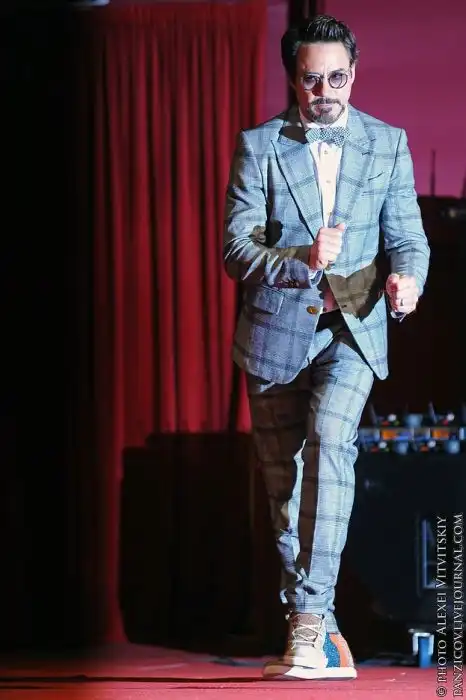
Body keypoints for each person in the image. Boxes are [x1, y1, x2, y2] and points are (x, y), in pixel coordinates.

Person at [223, 14, 430, 681]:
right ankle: (317, 623)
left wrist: (408, 280)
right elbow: (235, 250)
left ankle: (309, 622)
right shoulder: (259, 146)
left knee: (331, 445)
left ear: (354, 73)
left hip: (353, 329)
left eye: (337, 78)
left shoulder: (387, 143)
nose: (325, 92)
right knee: (284, 489)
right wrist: (301, 259)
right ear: (294, 78)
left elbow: (409, 239)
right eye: (312, 80)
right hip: (275, 335)